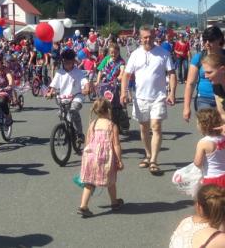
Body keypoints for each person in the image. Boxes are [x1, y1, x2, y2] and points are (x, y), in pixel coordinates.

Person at [120, 25, 176, 175]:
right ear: (140, 38)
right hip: (140, 98)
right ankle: (148, 154)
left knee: (156, 126)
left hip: (158, 97)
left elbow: (171, 73)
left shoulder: (163, 53)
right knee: (144, 128)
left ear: (154, 36)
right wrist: (123, 92)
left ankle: (154, 161)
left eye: (150, 37)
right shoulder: (135, 54)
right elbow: (126, 75)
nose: (148, 40)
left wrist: (171, 93)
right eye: (145, 37)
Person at [78, 98, 124, 218]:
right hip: (105, 158)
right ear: (109, 110)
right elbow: (116, 144)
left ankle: (83, 205)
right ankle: (114, 202)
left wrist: (85, 156)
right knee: (111, 181)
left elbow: (87, 141)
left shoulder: (92, 125)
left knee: (89, 182)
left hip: (91, 156)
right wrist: (119, 160)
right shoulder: (112, 126)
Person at [46, 49, 90, 140]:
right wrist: (50, 92)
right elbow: (54, 85)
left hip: (76, 96)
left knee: (73, 111)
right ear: (63, 61)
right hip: (64, 97)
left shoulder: (78, 72)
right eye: (65, 62)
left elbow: (85, 81)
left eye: (69, 62)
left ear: (73, 62)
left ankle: (80, 133)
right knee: (61, 114)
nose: (67, 64)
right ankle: (67, 129)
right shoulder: (59, 72)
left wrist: (86, 88)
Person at [183, 26, 225, 121]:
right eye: (205, 40)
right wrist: (186, 107)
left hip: (223, 98)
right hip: (204, 99)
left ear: (219, 39)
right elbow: (190, 83)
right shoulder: (199, 58)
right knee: (209, 129)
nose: (207, 43)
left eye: (210, 40)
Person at [193, 108, 225, 188]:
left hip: (211, 177)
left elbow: (198, 163)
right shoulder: (223, 138)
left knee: (211, 199)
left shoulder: (203, 143)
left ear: (202, 125)